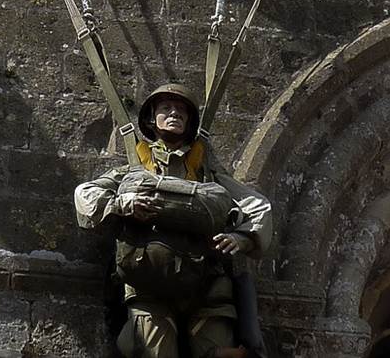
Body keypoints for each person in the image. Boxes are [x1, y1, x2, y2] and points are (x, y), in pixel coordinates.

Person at [75, 83, 272, 358]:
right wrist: (123, 204)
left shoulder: (208, 173)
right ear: (151, 118)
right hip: (148, 287)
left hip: (208, 287)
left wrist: (241, 238)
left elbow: (258, 206)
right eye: (166, 108)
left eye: (181, 110)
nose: (174, 113)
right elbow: (85, 194)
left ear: (190, 121)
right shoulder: (133, 169)